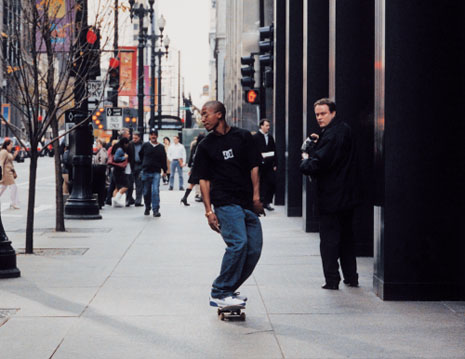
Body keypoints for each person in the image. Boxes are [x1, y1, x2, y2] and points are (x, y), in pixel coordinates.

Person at [194, 100, 265, 308]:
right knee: (238, 244)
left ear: (220, 115)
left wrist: (256, 198)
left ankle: (228, 289)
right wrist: (209, 212)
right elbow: (204, 180)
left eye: (207, 114)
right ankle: (220, 290)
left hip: (246, 203)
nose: (203, 118)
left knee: (253, 249)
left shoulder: (243, 137)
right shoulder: (205, 145)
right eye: (202, 115)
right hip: (225, 202)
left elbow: (254, 167)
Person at [300, 98, 360, 290]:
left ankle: (332, 280)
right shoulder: (343, 130)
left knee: (329, 240)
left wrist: (305, 159)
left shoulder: (333, 135)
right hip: (346, 195)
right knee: (346, 239)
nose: (319, 117)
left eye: (323, 113)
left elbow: (318, 163)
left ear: (333, 112)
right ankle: (351, 276)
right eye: (317, 114)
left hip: (331, 196)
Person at [139, 128, 167, 217]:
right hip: (146, 171)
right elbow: (141, 155)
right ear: (149, 136)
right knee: (146, 192)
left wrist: (165, 171)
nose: (153, 136)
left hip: (156, 172)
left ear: (157, 136)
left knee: (155, 191)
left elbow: (163, 159)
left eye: (155, 134)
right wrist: (143, 164)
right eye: (152, 134)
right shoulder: (145, 145)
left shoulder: (161, 147)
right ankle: (147, 207)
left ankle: (155, 210)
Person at [252, 119, 277, 211]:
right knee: (260, 183)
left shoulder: (270, 137)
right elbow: (253, 151)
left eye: (269, 126)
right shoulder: (255, 137)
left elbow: (274, 150)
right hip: (259, 164)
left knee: (271, 182)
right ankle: (261, 202)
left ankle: (267, 202)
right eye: (266, 126)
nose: (268, 127)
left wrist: (275, 163)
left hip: (269, 164)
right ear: (261, 126)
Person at [180, 133, 205, 206]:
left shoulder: (194, 146)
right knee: (203, 182)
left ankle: (185, 197)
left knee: (192, 184)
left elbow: (191, 156)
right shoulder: (203, 146)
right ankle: (202, 197)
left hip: (195, 168)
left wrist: (190, 167)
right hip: (201, 167)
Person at [110, 137, 130, 207]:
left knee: (117, 187)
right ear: (125, 143)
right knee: (126, 185)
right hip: (119, 170)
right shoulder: (120, 149)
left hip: (116, 169)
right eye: (127, 144)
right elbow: (116, 158)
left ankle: (114, 202)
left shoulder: (117, 147)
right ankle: (116, 199)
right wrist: (125, 157)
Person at [0, 139, 20, 209]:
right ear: (7, 145)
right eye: (11, 145)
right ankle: (13, 203)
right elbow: (1, 162)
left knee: (3, 187)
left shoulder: (7, 152)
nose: (12, 146)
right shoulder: (4, 152)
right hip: (6, 173)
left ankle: (13, 203)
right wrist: (1, 172)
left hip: (9, 172)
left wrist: (14, 155)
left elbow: (10, 160)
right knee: (13, 187)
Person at [92, 139, 108, 209]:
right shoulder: (100, 151)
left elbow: (103, 159)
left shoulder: (102, 150)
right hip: (99, 171)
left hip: (99, 172)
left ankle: (100, 202)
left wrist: (100, 165)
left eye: (97, 144)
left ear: (101, 144)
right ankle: (100, 201)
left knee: (100, 187)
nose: (96, 146)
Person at [130, 131, 144, 207]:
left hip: (140, 165)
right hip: (132, 165)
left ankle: (138, 201)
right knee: (130, 184)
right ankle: (129, 199)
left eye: (136, 138)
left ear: (139, 138)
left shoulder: (143, 145)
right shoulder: (130, 144)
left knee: (139, 184)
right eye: (133, 138)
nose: (134, 139)